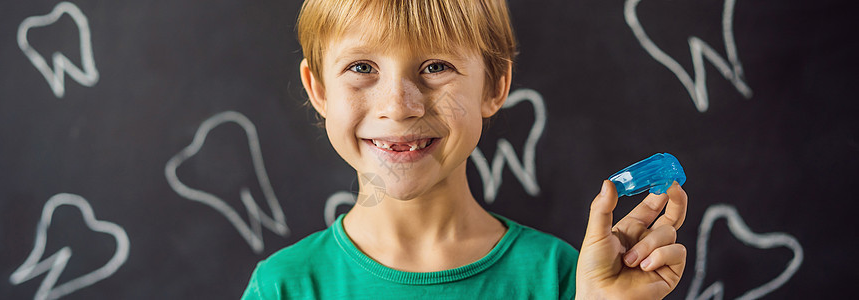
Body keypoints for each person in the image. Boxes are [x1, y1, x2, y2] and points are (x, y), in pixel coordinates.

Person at [242, 0, 688, 298]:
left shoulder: (566, 278)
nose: (398, 107)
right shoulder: (283, 287)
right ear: (319, 90)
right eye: (362, 67)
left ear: (494, 87)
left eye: (436, 67)